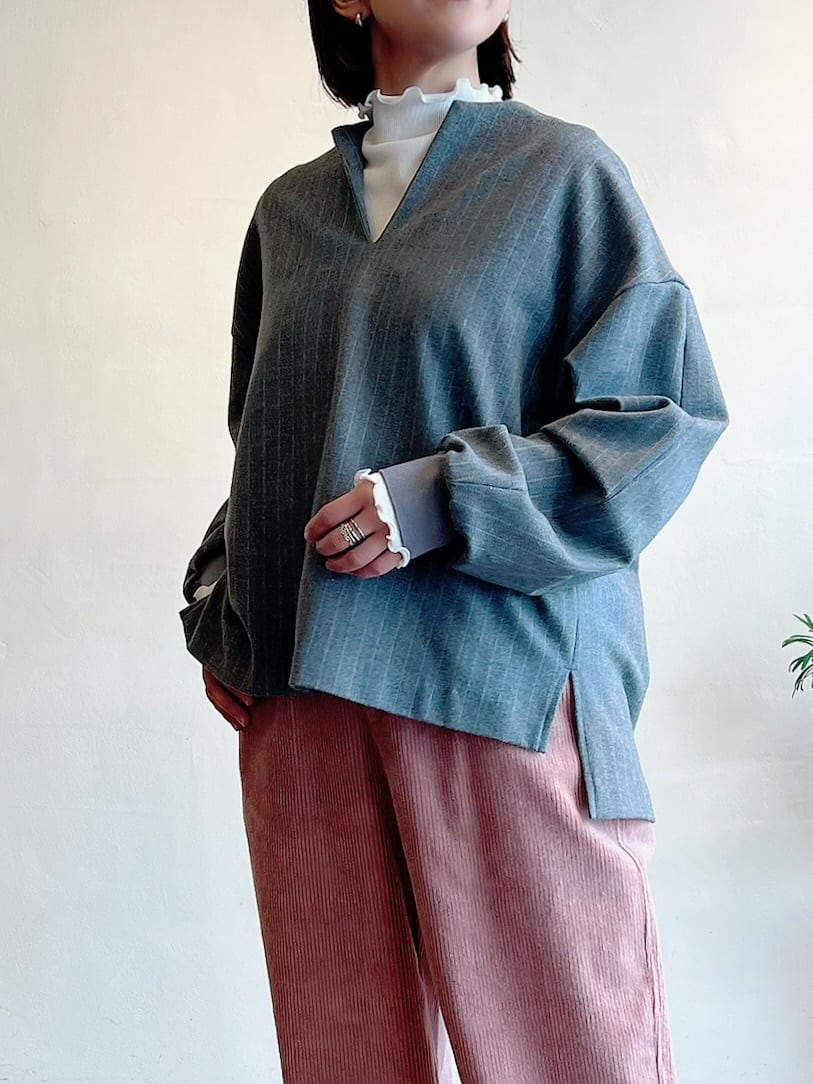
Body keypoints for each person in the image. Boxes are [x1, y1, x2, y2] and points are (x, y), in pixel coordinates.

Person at [178, 3, 728, 1081]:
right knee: (343, 1062)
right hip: (306, 702)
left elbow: (659, 416)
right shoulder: (288, 214)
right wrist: (226, 602)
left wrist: (440, 498)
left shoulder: (563, 176)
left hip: (500, 684)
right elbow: (266, 436)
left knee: (573, 1058)